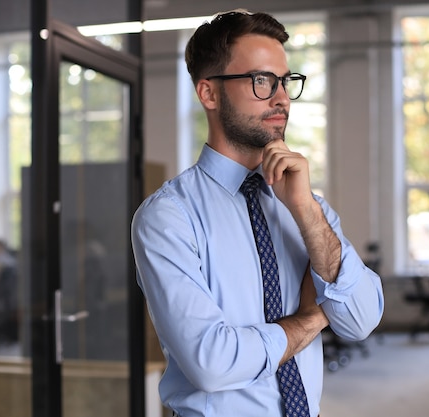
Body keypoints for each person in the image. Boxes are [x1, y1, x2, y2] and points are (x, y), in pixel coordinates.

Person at [131, 9, 384, 417]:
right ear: (209, 93)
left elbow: (360, 320)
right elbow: (212, 363)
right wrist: (309, 320)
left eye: (285, 81)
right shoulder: (168, 217)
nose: (281, 97)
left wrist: (304, 210)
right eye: (261, 80)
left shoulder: (305, 204)